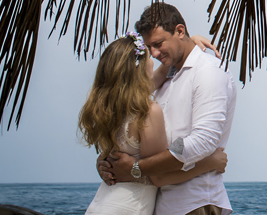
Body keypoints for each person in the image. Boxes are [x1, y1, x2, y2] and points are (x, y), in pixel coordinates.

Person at [101, 3, 238, 215]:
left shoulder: (208, 72)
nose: (154, 53)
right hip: (161, 203)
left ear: (179, 31)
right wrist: (108, 162)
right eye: (149, 48)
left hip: (194, 202)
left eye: (158, 44)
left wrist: (136, 168)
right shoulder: (167, 74)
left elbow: (203, 141)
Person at [79, 33, 228, 215]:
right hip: (130, 208)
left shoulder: (109, 107)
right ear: (139, 67)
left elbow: (162, 72)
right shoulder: (147, 111)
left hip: (103, 204)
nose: (155, 59)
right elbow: (158, 176)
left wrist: (189, 43)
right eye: (149, 56)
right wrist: (209, 163)